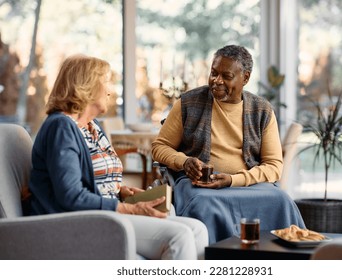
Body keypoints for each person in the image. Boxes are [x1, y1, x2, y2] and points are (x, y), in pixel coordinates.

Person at [28, 54, 208, 260]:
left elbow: (94, 179)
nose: (110, 91)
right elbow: (71, 196)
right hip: (80, 220)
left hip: (103, 213)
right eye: (106, 82)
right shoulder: (61, 127)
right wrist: (128, 208)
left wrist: (121, 190)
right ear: (86, 85)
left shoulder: (92, 126)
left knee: (197, 229)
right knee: (179, 236)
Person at [151, 45, 305, 244]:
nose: (217, 81)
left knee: (282, 201)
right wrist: (184, 161)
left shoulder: (262, 110)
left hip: (249, 184)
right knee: (202, 205)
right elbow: (159, 147)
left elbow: (274, 167)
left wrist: (233, 180)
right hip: (200, 187)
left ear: (246, 78)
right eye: (213, 73)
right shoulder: (188, 103)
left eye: (226, 76)